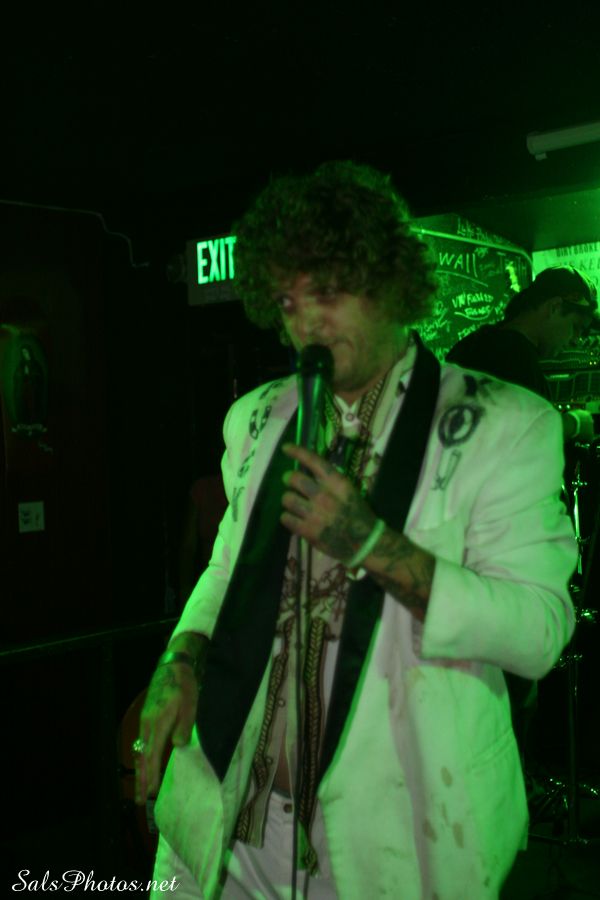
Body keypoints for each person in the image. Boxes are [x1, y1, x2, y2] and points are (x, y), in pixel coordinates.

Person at [134, 162, 577, 899]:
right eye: (287, 299)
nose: (305, 324)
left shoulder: (505, 423)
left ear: (393, 283)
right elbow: (227, 568)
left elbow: (539, 632)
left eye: (329, 293)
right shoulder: (256, 418)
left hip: (401, 841)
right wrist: (181, 658)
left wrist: (375, 546)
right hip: (236, 825)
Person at [446, 265, 598, 441]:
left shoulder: (477, 343)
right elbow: (518, 436)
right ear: (554, 307)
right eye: (576, 327)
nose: (576, 340)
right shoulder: (514, 358)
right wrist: (574, 424)